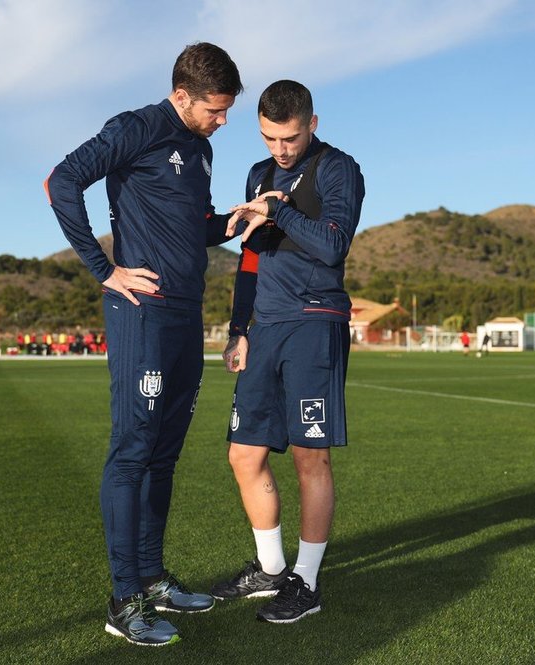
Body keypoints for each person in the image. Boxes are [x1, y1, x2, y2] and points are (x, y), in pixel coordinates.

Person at [45, 42, 243, 647]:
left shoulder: (200, 147)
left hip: (185, 314)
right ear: (182, 95)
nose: (223, 121)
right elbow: (61, 182)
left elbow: (194, 226)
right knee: (133, 449)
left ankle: (154, 578)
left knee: (164, 453)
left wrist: (234, 222)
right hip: (142, 311)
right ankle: (124, 598)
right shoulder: (136, 127)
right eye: (215, 109)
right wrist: (103, 269)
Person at [212, 80, 364, 624]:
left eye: (290, 137)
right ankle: (272, 569)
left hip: (315, 319)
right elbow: (250, 259)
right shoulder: (259, 172)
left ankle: (307, 581)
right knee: (243, 454)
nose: (280, 148)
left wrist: (278, 211)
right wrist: (238, 328)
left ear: (313, 124)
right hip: (266, 326)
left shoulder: (337, 168)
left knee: (309, 456)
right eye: (269, 137)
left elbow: (332, 243)